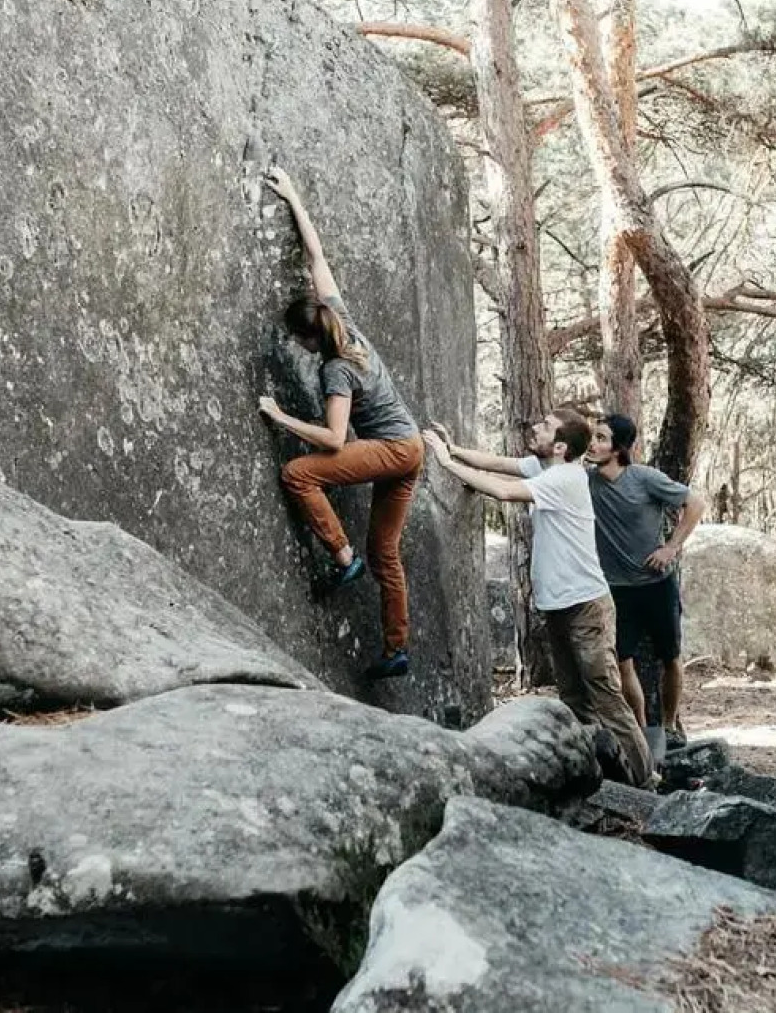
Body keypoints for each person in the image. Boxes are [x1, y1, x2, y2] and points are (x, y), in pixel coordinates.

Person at [423, 412, 653, 787]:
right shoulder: (543, 466)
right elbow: (497, 464)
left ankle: (645, 781)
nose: (534, 428)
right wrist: (452, 448)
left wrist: (446, 463)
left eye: (544, 427)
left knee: (606, 697)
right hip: (559, 606)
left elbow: (502, 490)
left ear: (560, 447)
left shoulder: (563, 478)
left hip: (586, 606)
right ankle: (600, 778)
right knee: (574, 698)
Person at [257, 167, 423, 681]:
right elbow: (317, 258)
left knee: (298, 474)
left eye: (298, 341)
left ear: (311, 340)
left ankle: (342, 555)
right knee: (387, 553)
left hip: (394, 451)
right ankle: (397, 649)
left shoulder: (336, 369)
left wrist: (280, 416)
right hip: (409, 446)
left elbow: (333, 438)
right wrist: (293, 198)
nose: (298, 348)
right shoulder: (343, 321)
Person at [586, 414, 706, 746]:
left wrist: (670, 548)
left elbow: (695, 503)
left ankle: (668, 727)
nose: (593, 444)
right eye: (592, 437)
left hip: (657, 585)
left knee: (670, 656)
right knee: (623, 662)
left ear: (619, 447)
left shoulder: (644, 478)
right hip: (616, 590)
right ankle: (640, 733)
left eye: (601, 438)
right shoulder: (586, 481)